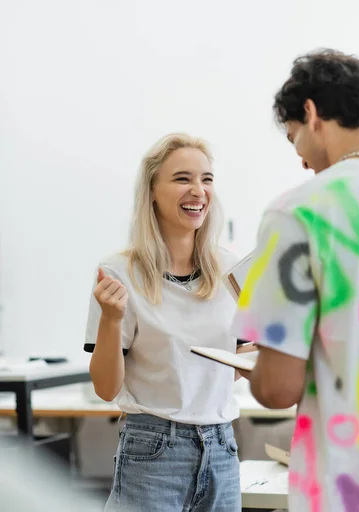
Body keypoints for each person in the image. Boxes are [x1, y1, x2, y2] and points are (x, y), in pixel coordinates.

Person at [234, 49, 359, 512]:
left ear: (310, 113)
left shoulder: (299, 210)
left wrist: (260, 363)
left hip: (352, 485)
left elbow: (277, 389)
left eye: (294, 140)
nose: (304, 162)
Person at [84, 133, 249, 512]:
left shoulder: (230, 269)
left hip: (222, 447)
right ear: (152, 191)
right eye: (182, 178)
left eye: (206, 179)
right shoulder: (118, 272)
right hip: (153, 449)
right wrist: (111, 320)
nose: (199, 191)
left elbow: (230, 367)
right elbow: (107, 389)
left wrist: (269, 355)